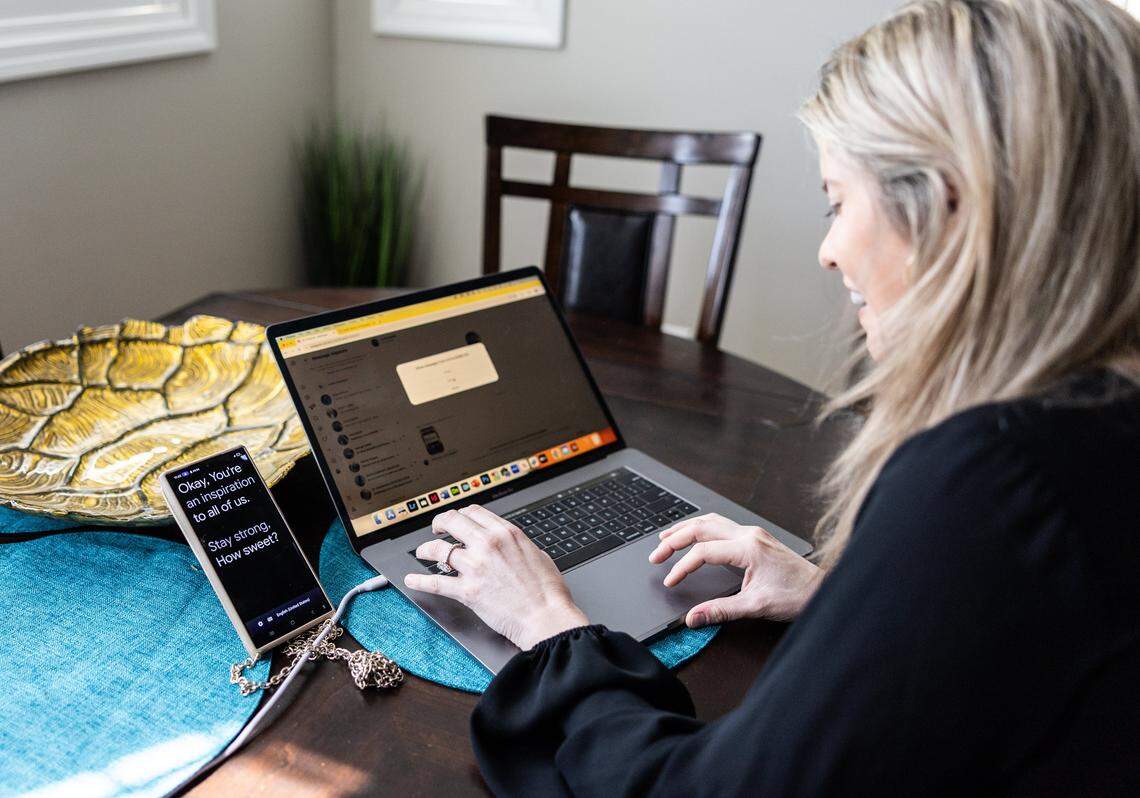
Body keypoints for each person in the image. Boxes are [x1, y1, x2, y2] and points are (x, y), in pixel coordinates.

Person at [405, 0, 1140, 794]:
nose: (829, 251)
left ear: (947, 206)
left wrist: (550, 625)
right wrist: (849, 602)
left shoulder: (988, 480)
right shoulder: (1099, 427)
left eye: (837, 201)